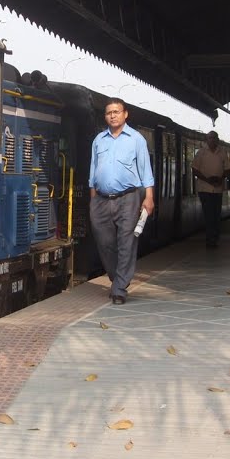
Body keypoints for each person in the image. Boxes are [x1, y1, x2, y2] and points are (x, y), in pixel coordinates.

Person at [88, 98, 155, 305]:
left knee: (126, 243)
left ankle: (119, 289)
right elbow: (93, 169)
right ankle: (117, 277)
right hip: (100, 199)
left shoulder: (136, 139)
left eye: (117, 111)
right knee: (104, 242)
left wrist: (149, 197)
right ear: (105, 116)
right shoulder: (99, 140)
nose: (113, 115)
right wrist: (92, 197)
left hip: (128, 198)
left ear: (125, 114)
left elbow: (145, 171)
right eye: (109, 112)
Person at [191, 130, 230, 249]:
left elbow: (228, 169)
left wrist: (220, 178)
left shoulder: (222, 153)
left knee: (216, 214)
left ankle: (215, 237)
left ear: (218, 140)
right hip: (204, 189)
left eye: (214, 138)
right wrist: (207, 179)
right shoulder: (201, 153)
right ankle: (210, 239)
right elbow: (195, 169)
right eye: (210, 138)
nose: (212, 140)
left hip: (218, 189)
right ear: (206, 140)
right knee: (208, 214)